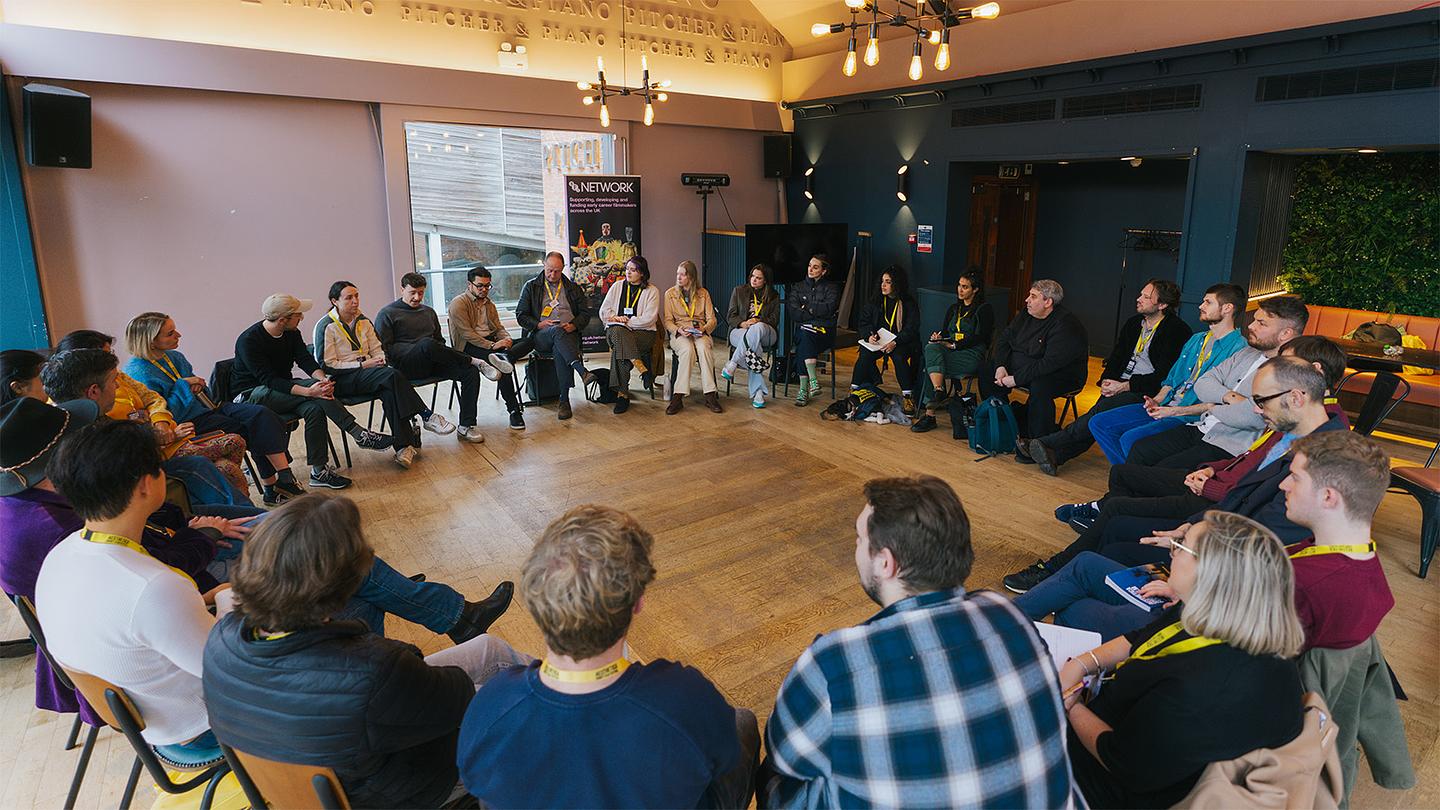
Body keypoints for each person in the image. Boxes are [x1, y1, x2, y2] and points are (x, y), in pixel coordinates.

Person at [763, 476, 1079, 808]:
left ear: (886, 563)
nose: (856, 547)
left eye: (860, 539)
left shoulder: (835, 662)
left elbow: (785, 759)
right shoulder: (1007, 613)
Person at [204, 494, 529, 809]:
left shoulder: (222, 638)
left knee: (489, 648)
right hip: (401, 789)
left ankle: (483, 636)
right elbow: (458, 701)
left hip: (312, 778)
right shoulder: (376, 668)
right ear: (349, 584)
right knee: (524, 706)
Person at [458, 504, 758, 809]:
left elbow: (477, 781)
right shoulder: (683, 697)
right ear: (638, 603)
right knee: (742, 722)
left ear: (536, 604)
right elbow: (723, 756)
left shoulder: (491, 705)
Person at [1006, 356, 1346, 594]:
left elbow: (1265, 531)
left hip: (1223, 552)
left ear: (1298, 397)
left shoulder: (1320, 459)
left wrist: (1191, 534)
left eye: (1261, 401)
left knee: (1117, 527)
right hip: (1212, 517)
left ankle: (1061, 576)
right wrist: (1204, 487)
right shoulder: (1296, 424)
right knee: (1117, 516)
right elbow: (1246, 471)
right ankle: (1061, 573)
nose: (1255, 409)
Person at [1058, 512, 1306, 809]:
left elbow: (1123, 763)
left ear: (1209, 573)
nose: (1171, 550)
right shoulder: (1228, 617)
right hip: (1125, 737)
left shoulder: (1204, 688)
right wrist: (1083, 664)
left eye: (1180, 545)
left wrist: (1072, 706)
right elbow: (1141, 636)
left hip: (1107, 787)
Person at [123, 311, 306, 505]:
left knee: (262, 414)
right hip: (185, 422)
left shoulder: (174, 357)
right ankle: (271, 488)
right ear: (151, 341)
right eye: (170, 333)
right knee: (250, 429)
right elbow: (167, 412)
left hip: (208, 408)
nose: (178, 335)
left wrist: (198, 385)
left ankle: (284, 478)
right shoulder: (138, 371)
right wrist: (184, 385)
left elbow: (202, 393)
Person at [1019, 279, 1198, 473]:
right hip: (1118, 384)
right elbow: (1116, 357)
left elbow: (1164, 376)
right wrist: (1107, 380)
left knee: (1096, 415)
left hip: (1146, 391)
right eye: (1141, 294)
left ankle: (1046, 442)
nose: (1138, 299)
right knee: (1094, 418)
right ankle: (1056, 455)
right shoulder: (1133, 324)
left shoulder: (1177, 331)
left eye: (1146, 297)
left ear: (1162, 305)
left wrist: (1124, 386)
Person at [58, 329, 252, 501]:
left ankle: (234, 510)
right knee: (231, 447)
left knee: (227, 466)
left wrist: (159, 422)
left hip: (167, 435)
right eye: (106, 353)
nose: (179, 335)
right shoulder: (88, 403)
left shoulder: (120, 376)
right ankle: (239, 513)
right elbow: (124, 435)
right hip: (154, 451)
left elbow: (154, 399)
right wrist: (159, 430)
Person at [1121, 295, 1309, 469]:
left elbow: (1253, 418)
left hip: (1228, 444)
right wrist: (1230, 398)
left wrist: (1213, 406)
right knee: (1141, 449)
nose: (1251, 326)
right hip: (1201, 427)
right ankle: (1114, 504)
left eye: (1261, 323)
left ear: (1285, 333)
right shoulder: (1246, 354)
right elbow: (1203, 383)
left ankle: (1118, 503)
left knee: (1161, 468)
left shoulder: (1290, 372)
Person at [232, 294, 393, 491]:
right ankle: (358, 433)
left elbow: (305, 361)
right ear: (283, 319)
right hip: (252, 397)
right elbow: (269, 380)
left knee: (314, 409)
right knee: (313, 395)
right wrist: (309, 390)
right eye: (298, 315)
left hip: (282, 390)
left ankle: (319, 471)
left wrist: (322, 380)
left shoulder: (291, 333)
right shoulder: (249, 340)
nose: (301, 318)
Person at [315, 280, 460, 467]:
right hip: (342, 380)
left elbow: (377, 349)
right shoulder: (326, 325)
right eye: (349, 298)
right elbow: (327, 364)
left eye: (357, 296)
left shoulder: (363, 321)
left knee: (390, 390)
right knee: (392, 376)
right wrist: (363, 365)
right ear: (335, 301)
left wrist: (378, 360)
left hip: (371, 375)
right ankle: (426, 415)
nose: (355, 301)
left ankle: (403, 447)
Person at [1279, 430, 1395, 651]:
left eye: (1295, 478)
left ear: (1328, 497)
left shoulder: (1302, 585)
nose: (1284, 485)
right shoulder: (1365, 565)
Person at [373, 273, 488, 444]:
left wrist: (432, 350)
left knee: (469, 373)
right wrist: (417, 348)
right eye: (412, 292)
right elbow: (386, 350)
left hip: (432, 361)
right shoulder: (387, 314)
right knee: (427, 344)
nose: (417, 297)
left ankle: (466, 425)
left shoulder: (428, 312)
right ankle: (473, 359)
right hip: (405, 367)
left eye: (420, 292)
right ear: (402, 289)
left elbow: (439, 343)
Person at [981, 279, 1089, 441]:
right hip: (1025, 367)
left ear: (1048, 302)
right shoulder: (1027, 313)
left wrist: (1016, 379)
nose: (1027, 300)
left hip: (1061, 374)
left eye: (1033, 296)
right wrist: (1001, 366)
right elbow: (1004, 339)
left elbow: (1050, 363)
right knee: (988, 369)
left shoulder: (1065, 324)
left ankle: (1039, 440)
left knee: (1041, 386)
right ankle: (1003, 418)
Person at [910, 269, 994, 433]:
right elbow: (946, 332)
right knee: (931, 347)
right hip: (951, 351)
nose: (960, 290)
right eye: (959, 285)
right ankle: (939, 390)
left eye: (965, 287)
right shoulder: (954, 308)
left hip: (971, 353)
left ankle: (930, 414)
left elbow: (981, 337)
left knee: (931, 366)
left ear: (975, 289)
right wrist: (939, 337)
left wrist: (955, 345)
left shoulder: (984, 309)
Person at [515, 251, 594, 420]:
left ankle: (563, 400)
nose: (553, 274)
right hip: (541, 335)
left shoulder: (573, 288)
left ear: (563, 269)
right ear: (544, 265)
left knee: (560, 345)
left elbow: (585, 314)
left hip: (568, 332)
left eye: (557, 271)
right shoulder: (531, 286)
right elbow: (521, 315)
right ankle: (580, 371)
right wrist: (538, 324)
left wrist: (573, 325)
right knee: (556, 333)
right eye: (549, 270)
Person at [447, 265, 528, 430]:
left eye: (487, 286)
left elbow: (498, 327)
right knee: (503, 367)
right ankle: (514, 410)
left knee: (530, 340)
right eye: (480, 286)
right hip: (469, 347)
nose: (484, 289)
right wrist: (493, 345)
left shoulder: (489, 305)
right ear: (469, 285)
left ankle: (506, 356)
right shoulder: (459, 303)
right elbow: (467, 334)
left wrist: (506, 338)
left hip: (493, 345)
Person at [849, 264, 921, 414]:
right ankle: (853, 390)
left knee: (899, 357)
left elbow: (911, 329)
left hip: (900, 342)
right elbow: (864, 322)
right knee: (865, 355)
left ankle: (908, 396)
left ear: (897, 283)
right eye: (882, 281)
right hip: (879, 342)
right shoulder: (876, 300)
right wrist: (869, 335)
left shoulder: (908, 303)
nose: (883, 285)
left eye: (888, 282)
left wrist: (895, 342)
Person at [597, 255, 660, 414]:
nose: (628, 273)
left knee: (620, 349)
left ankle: (622, 395)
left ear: (642, 273)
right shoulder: (617, 286)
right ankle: (642, 368)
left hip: (643, 335)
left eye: (633, 270)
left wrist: (626, 321)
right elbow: (604, 312)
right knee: (618, 332)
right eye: (627, 269)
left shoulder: (652, 291)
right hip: (616, 331)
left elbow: (649, 319)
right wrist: (617, 320)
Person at [663, 260, 722, 415]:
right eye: (678, 274)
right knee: (687, 350)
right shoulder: (670, 294)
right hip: (681, 332)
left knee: (704, 348)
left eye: (683, 274)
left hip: (699, 331)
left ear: (691, 277)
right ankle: (678, 396)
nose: (679, 277)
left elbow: (712, 320)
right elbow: (668, 321)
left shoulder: (703, 293)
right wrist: (678, 330)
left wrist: (703, 329)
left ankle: (710, 394)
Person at [720, 263, 781, 409]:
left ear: (765, 280)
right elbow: (731, 316)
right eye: (752, 276)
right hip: (740, 330)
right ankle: (758, 393)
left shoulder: (773, 295)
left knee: (757, 328)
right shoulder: (739, 291)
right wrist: (743, 323)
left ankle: (733, 363)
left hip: (766, 331)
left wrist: (758, 321)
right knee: (755, 347)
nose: (754, 280)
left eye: (758, 278)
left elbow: (774, 320)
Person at [787, 254, 839, 407]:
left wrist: (807, 307)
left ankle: (804, 389)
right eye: (809, 265)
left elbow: (829, 308)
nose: (810, 269)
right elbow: (793, 312)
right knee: (805, 335)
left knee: (804, 338)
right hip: (806, 331)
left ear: (823, 271)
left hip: (824, 333)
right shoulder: (798, 287)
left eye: (815, 267)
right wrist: (816, 311)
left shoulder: (832, 287)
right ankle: (812, 381)